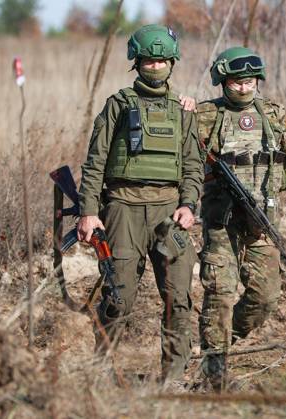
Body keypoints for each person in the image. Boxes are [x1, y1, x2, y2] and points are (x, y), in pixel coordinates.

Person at [196, 46, 286, 389]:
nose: (244, 88)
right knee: (219, 292)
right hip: (221, 222)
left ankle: (222, 342)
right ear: (222, 81)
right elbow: (176, 159)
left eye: (250, 81)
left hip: (261, 221)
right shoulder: (203, 116)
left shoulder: (275, 116)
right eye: (236, 82)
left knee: (266, 296)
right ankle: (215, 371)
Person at [76, 24, 203, 384]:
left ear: (172, 62)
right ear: (137, 61)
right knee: (118, 298)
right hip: (122, 209)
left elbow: (193, 165)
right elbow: (96, 161)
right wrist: (88, 211)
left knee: (178, 299)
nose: (156, 66)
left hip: (169, 213)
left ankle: (173, 380)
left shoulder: (184, 110)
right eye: (149, 59)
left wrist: (189, 204)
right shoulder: (118, 105)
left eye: (163, 60)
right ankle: (100, 375)